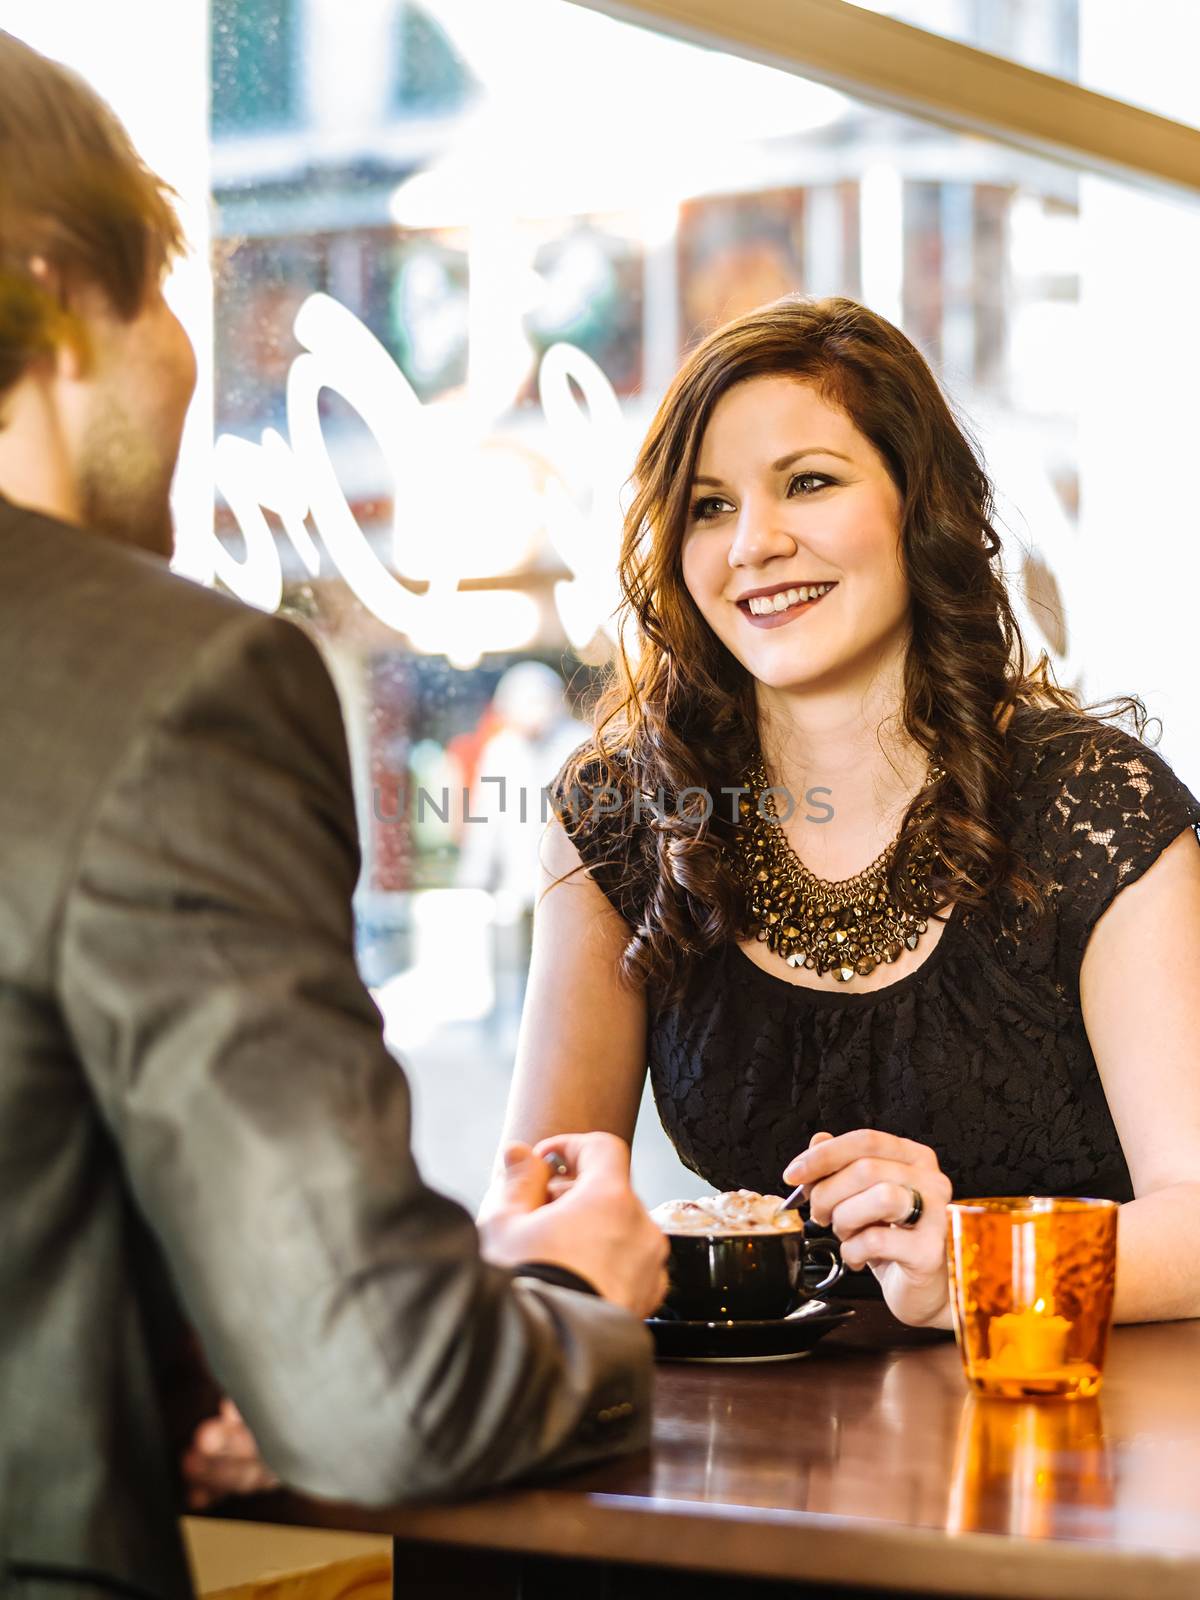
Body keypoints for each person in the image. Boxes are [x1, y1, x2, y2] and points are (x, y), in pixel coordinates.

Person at [0, 30, 666, 1600]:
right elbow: (387, 1393)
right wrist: (576, 1291)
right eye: (167, 285)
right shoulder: (166, 685)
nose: (188, 353)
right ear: (54, 300)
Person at [498, 293, 1200, 1332]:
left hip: (1072, 1438)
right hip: (743, 1472)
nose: (754, 544)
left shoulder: (1095, 804)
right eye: (709, 505)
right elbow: (540, 1219)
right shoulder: (620, 819)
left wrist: (966, 1261)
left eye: (809, 483)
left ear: (924, 509)